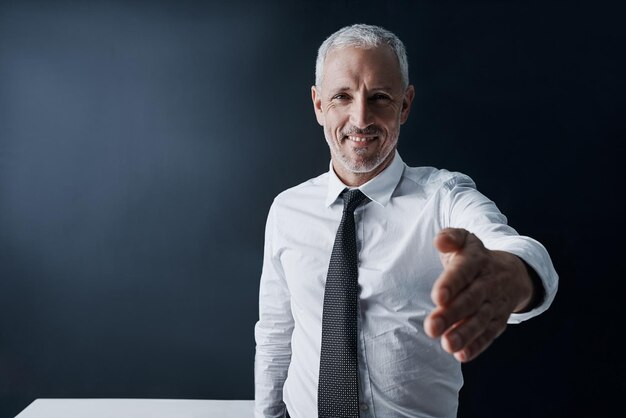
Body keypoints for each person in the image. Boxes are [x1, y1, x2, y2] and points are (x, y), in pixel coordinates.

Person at [254, 23, 558, 418]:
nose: (360, 118)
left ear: (405, 104)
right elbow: (276, 336)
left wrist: (514, 275)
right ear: (317, 105)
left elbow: (509, 246)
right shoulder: (287, 210)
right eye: (342, 97)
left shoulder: (444, 198)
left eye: (380, 97)